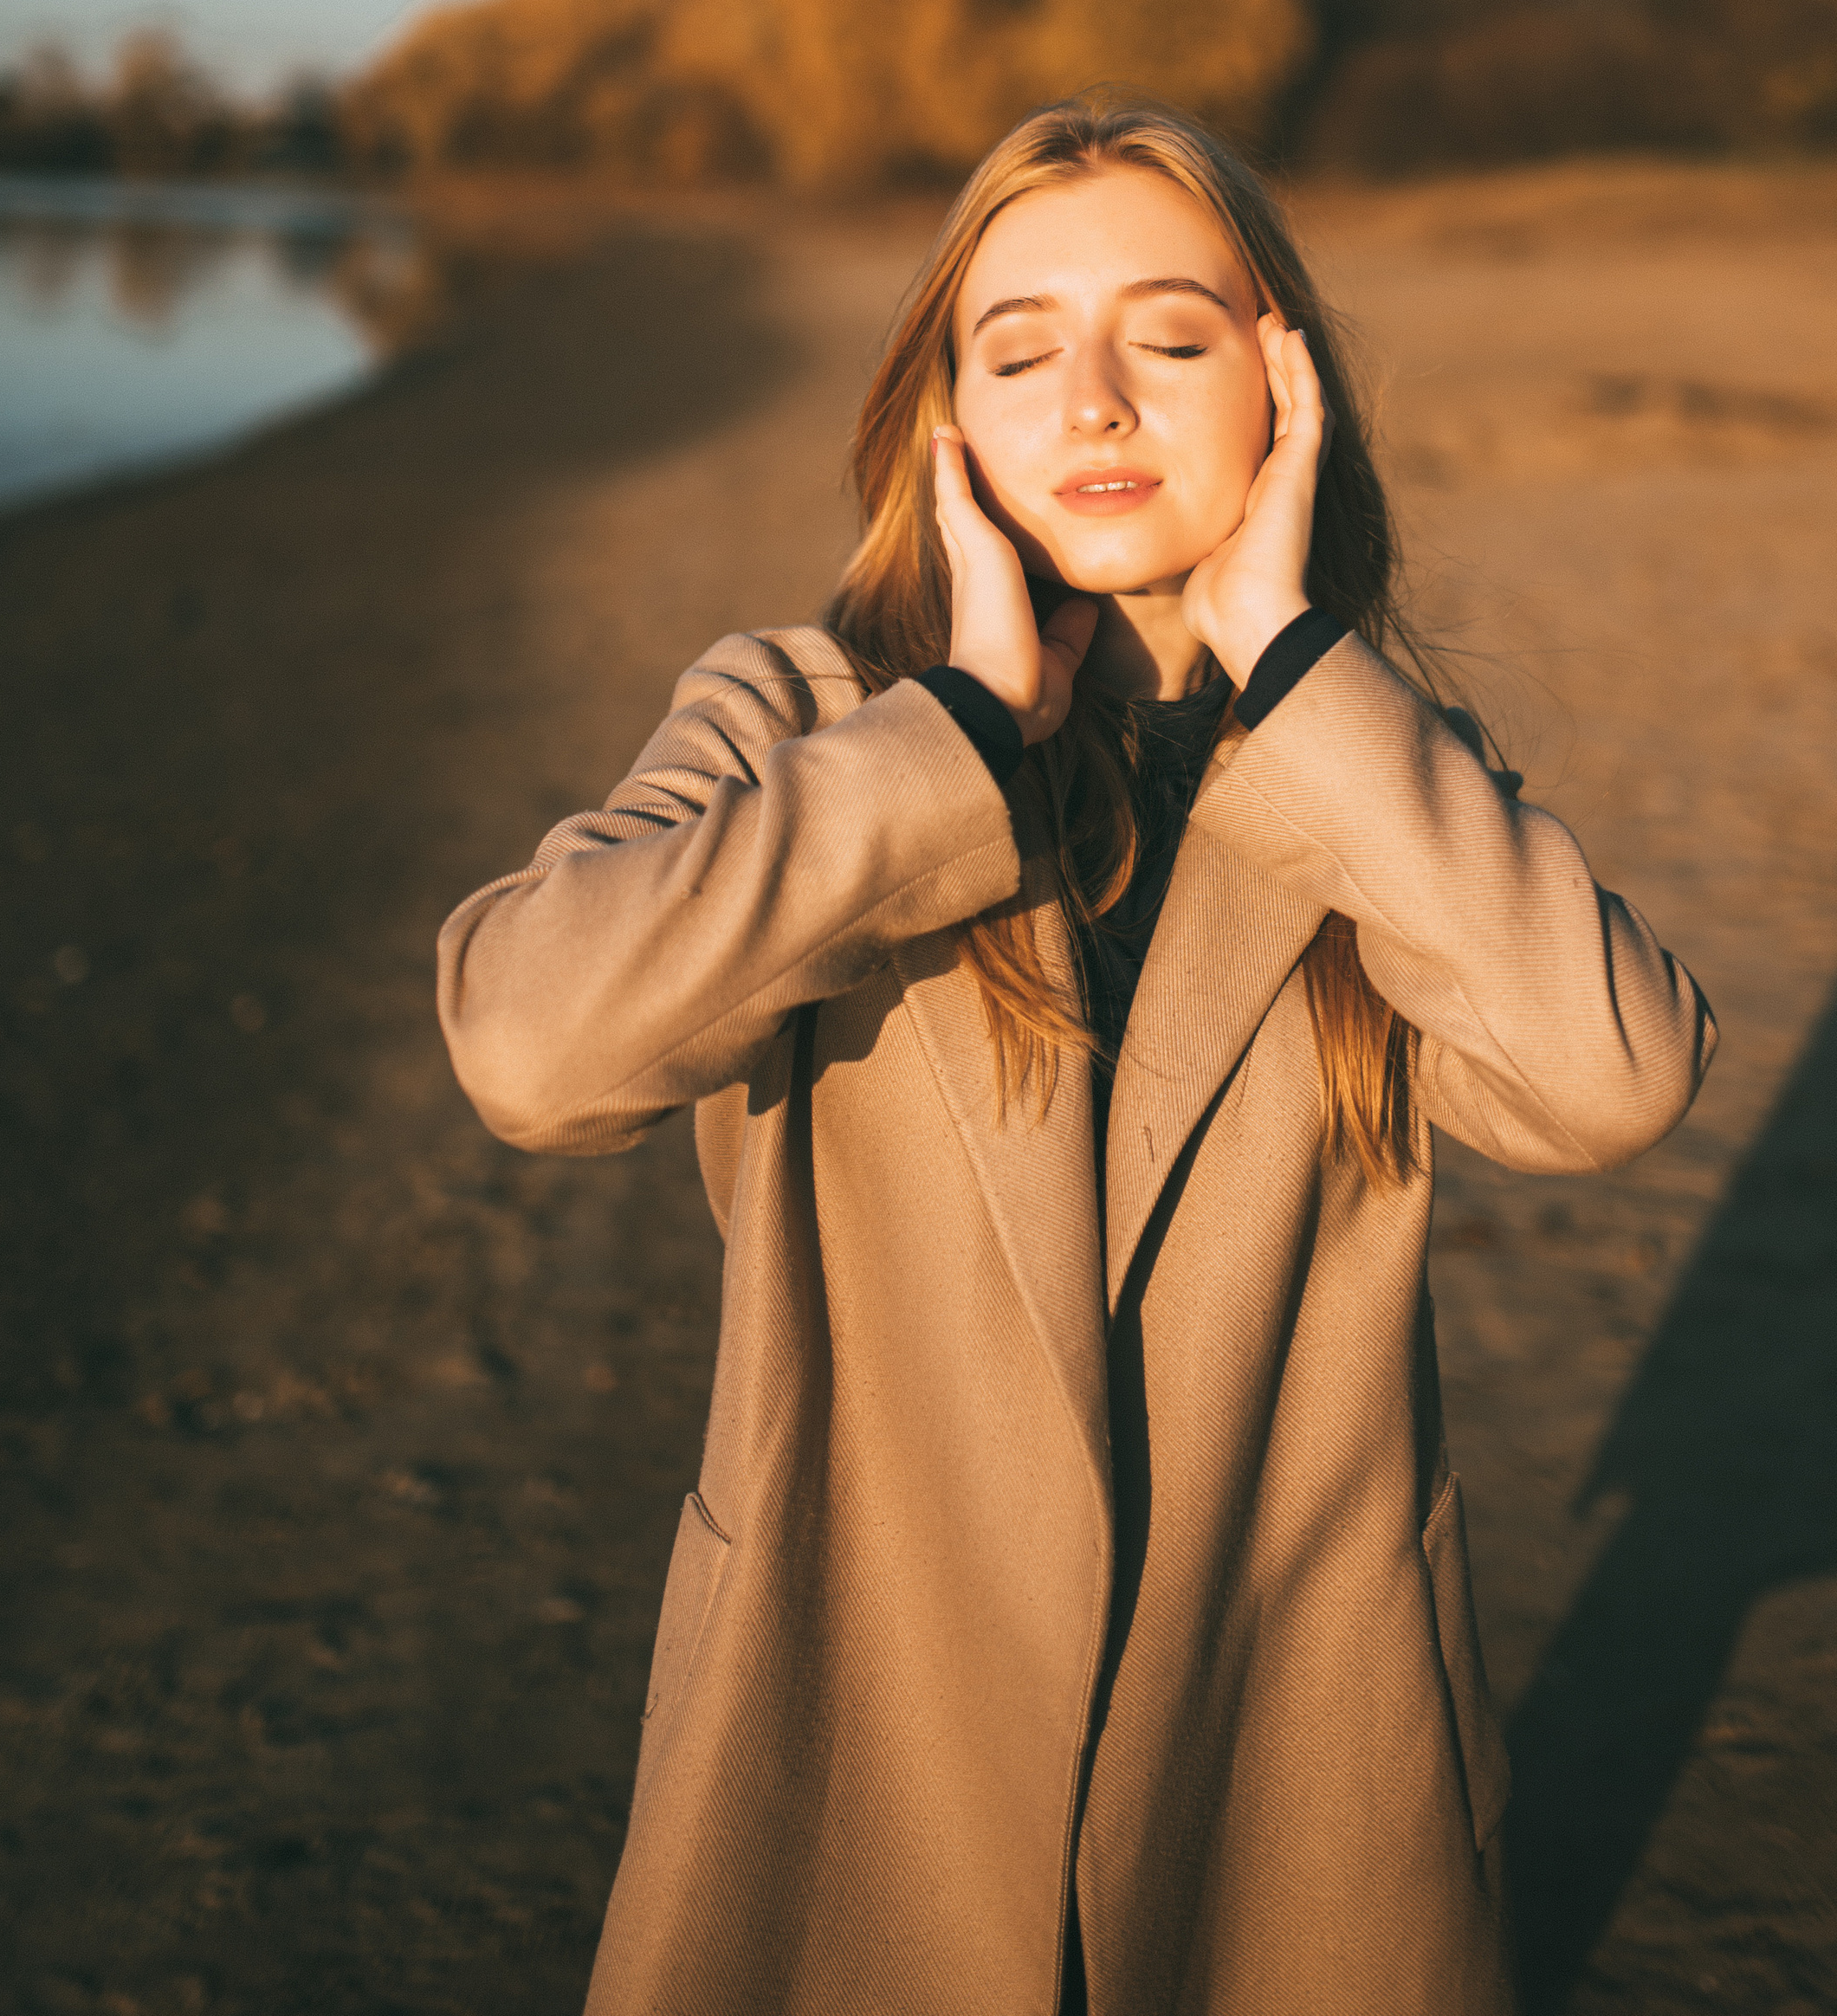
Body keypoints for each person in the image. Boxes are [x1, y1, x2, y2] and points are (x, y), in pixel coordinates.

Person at [437, 101, 1714, 2016]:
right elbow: (529, 1048)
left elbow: (1611, 1081)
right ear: (943, 416)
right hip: (854, 1749)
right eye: (1018, 349)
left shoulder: (1375, 774)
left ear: (1282, 390)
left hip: (1279, 1764)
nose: (1092, 402)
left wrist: (1289, 654)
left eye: (1171, 340)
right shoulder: (800, 717)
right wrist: (946, 731)